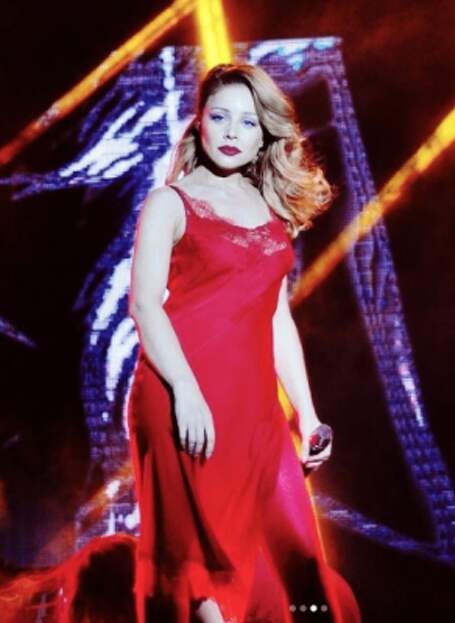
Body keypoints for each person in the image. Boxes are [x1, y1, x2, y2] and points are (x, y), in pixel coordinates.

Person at [127, 63, 361, 623]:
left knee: (301, 572)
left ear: (264, 135)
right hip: (179, 396)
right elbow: (144, 304)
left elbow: (275, 315)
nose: (232, 132)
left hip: (256, 412)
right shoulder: (169, 203)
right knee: (204, 577)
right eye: (220, 117)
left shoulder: (272, 212)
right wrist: (184, 390)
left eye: (248, 122)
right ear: (200, 123)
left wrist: (307, 413)